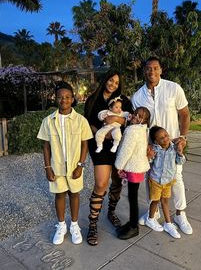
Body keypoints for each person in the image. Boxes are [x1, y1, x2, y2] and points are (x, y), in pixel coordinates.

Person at [132, 56, 193, 235]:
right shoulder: (138, 96)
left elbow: (185, 114)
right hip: (152, 148)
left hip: (171, 144)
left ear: (161, 70)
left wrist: (183, 137)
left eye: (155, 68)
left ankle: (180, 214)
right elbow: (139, 125)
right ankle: (154, 212)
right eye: (148, 68)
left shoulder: (173, 88)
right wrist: (145, 147)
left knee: (176, 178)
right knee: (152, 179)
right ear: (144, 71)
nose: (152, 71)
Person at [37, 81, 93, 245]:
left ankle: (74, 225)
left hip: (75, 166)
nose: (64, 100)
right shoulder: (48, 121)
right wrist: (47, 167)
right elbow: (46, 146)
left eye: (67, 97)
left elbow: (85, 144)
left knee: (74, 194)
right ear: (55, 99)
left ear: (72, 98)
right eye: (60, 97)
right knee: (60, 194)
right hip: (57, 166)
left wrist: (81, 165)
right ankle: (61, 225)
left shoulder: (80, 120)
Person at [84, 69, 133, 246]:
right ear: (105, 80)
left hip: (119, 147)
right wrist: (102, 134)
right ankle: (93, 224)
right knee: (101, 183)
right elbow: (87, 124)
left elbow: (130, 120)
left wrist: (116, 119)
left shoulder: (124, 101)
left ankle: (111, 212)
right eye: (111, 80)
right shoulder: (93, 100)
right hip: (99, 147)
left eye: (116, 82)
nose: (113, 84)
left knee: (117, 181)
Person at [115, 107, 151, 240]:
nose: (136, 116)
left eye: (140, 116)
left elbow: (126, 150)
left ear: (144, 120)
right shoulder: (141, 130)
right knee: (132, 197)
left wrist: (119, 166)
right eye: (135, 113)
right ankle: (131, 222)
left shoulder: (132, 130)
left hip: (133, 167)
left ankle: (134, 227)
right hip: (137, 167)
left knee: (132, 198)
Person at [146, 126, 186, 239]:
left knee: (165, 201)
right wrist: (149, 156)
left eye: (166, 135)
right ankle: (150, 219)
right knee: (155, 201)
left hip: (168, 181)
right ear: (156, 141)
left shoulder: (174, 148)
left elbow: (180, 161)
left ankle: (168, 224)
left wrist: (180, 152)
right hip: (156, 181)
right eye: (161, 138)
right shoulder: (155, 149)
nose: (165, 138)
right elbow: (150, 161)